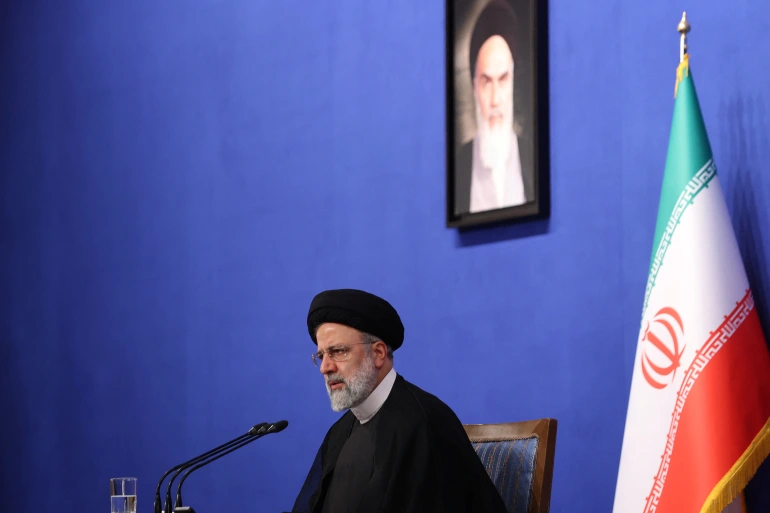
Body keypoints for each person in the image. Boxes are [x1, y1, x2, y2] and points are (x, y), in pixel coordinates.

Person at [289, 288, 508, 513]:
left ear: (378, 353)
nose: (325, 367)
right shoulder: (339, 433)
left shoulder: (425, 423)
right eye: (321, 355)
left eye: (338, 351)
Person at [455, 0, 533, 215]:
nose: (495, 100)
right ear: (474, 87)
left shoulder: (532, 159)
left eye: (503, 79)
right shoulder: (459, 166)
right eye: (486, 82)